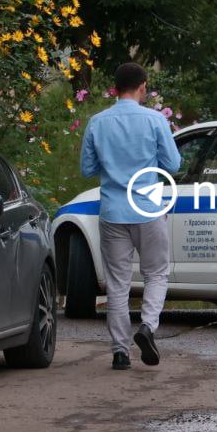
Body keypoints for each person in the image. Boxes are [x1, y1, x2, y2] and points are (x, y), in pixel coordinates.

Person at [80, 62, 182, 370]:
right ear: (143, 86)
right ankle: (148, 326)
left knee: (117, 284)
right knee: (156, 273)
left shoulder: (97, 122)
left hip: (113, 211)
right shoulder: (155, 120)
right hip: (148, 209)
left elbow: (87, 169)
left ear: (115, 88)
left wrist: (112, 165)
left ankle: (120, 352)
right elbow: (173, 164)